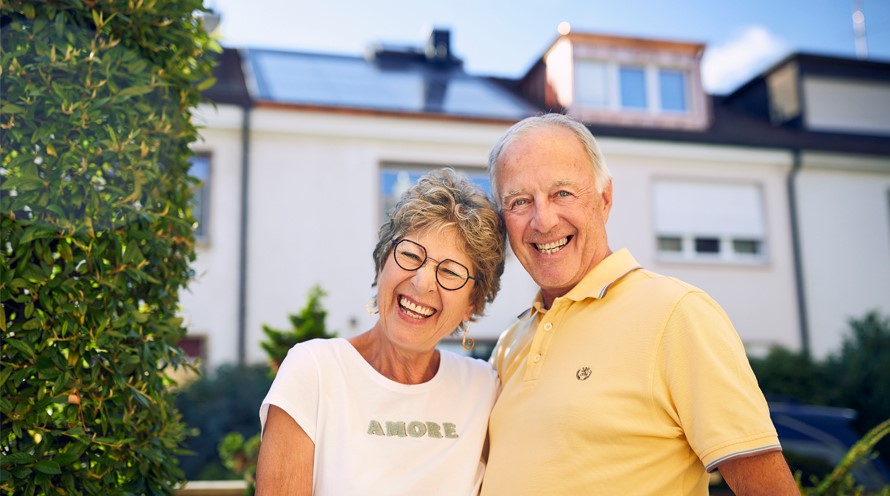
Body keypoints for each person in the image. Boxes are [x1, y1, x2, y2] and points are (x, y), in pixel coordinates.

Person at [480, 113, 799, 495]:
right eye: (519, 201)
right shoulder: (509, 344)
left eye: (562, 193)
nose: (543, 220)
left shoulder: (677, 314)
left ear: (604, 199)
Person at [255, 168, 506, 496]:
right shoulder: (314, 370)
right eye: (411, 255)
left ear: (472, 303)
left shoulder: (482, 388)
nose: (421, 282)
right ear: (383, 261)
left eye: (450, 272)